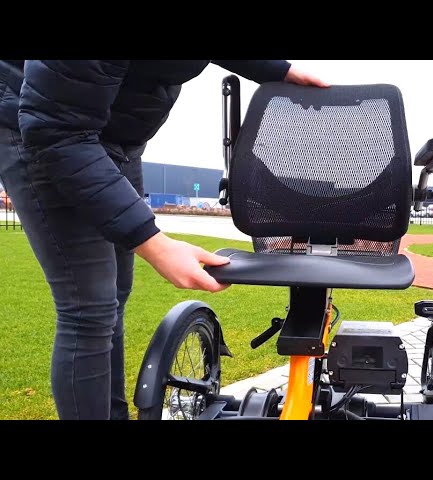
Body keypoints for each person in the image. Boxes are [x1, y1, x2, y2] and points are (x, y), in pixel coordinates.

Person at [0, 60, 329, 420]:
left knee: (114, 295)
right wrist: (154, 243)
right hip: (48, 131)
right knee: (88, 307)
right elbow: (55, 131)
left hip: (114, 132)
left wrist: (278, 70)